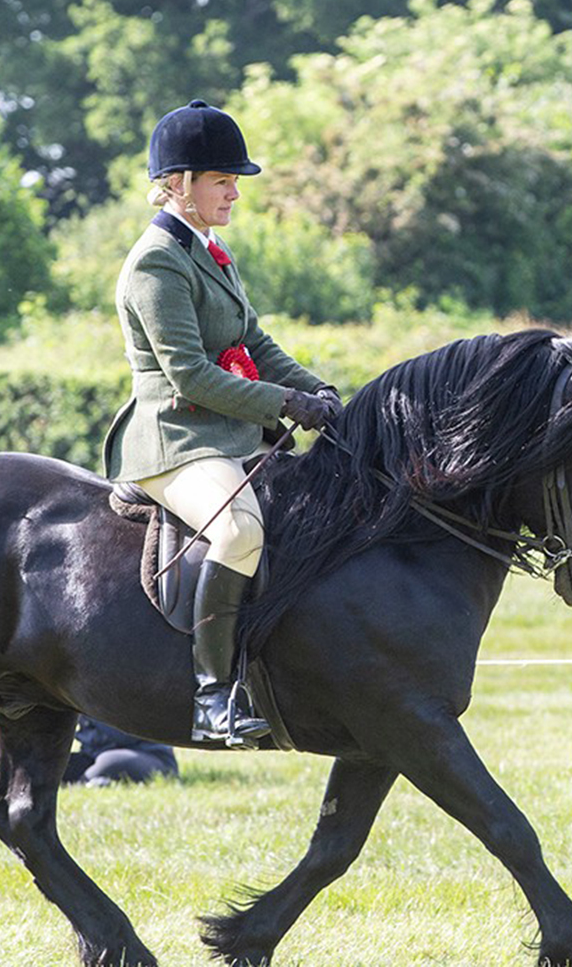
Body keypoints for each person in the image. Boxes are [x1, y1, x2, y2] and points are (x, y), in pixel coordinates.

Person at [102, 99, 342, 748]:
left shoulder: (211, 250)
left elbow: (254, 343)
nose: (234, 192)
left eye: (234, 181)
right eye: (222, 180)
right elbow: (190, 376)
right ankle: (212, 696)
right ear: (178, 184)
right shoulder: (156, 262)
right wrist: (284, 405)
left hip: (228, 434)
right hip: (174, 441)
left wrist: (314, 388)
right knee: (237, 531)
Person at [62, 717, 179, 787]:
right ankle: (87, 780)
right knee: (60, 767)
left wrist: (84, 710)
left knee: (109, 760)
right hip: (94, 754)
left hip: (151, 757)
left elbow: (121, 736)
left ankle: (84, 783)